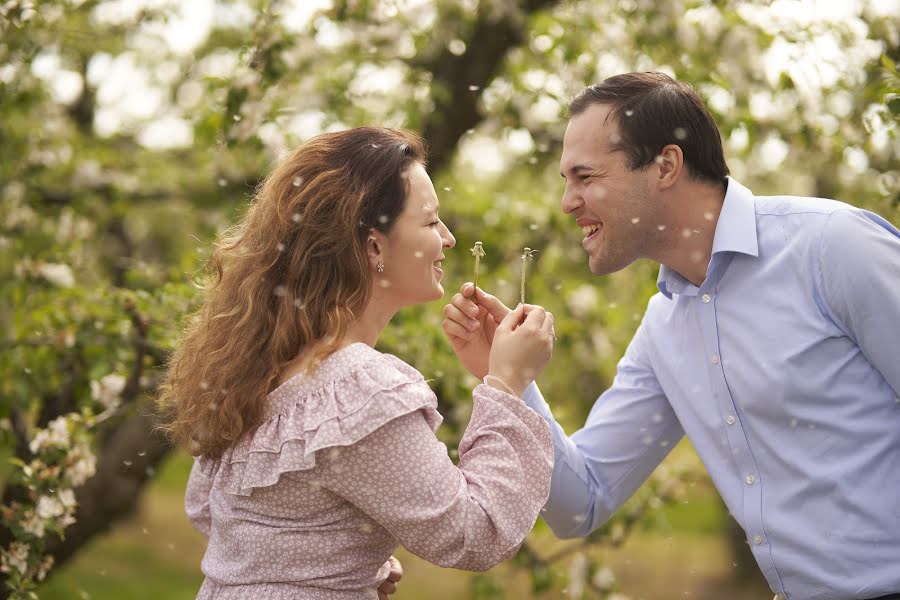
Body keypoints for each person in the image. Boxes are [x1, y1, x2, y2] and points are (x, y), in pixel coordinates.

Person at [442, 72, 900, 600]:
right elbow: (581, 503)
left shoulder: (832, 247)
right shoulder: (664, 328)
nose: (567, 202)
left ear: (665, 166)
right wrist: (510, 380)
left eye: (585, 176)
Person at [157, 127, 556, 599]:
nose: (447, 239)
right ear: (373, 247)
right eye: (430, 223)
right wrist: (506, 383)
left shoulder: (258, 366)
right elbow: (474, 533)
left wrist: (335, 562)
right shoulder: (360, 391)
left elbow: (213, 512)